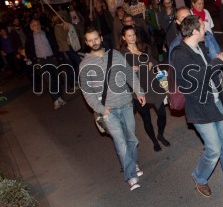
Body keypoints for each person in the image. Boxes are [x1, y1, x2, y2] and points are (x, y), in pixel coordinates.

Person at [171, 15, 223, 197]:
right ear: (195, 31)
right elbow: (197, 77)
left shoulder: (199, 47)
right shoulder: (180, 53)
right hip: (200, 109)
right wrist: (217, 62)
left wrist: (216, 64)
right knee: (214, 149)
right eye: (203, 28)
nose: (205, 30)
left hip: (215, 103)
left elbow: (208, 73)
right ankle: (199, 178)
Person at [79, 27, 146, 191]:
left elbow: (129, 75)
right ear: (86, 43)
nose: (94, 42)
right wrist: (101, 109)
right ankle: (131, 176)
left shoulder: (115, 55)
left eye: (96, 38)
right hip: (109, 110)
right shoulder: (84, 65)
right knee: (121, 143)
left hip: (126, 103)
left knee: (131, 139)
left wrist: (139, 91)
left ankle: (132, 163)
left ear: (101, 38)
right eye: (90, 40)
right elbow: (87, 93)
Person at [120, 25, 171, 152]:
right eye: (129, 35)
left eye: (133, 34)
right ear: (123, 38)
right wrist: (128, 70)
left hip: (152, 86)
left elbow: (154, 61)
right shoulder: (122, 54)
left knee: (162, 115)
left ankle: (160, 134)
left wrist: (150, 63)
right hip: (137, 91)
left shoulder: (143, 47)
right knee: (146, 118)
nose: (132, 37)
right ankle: (154, 141)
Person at [25, 18, 66, 109]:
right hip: (41, 61)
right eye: (34, 25)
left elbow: (54, 44)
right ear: (31, 27)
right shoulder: (30, 38)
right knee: (49, 81)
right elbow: (28, 51)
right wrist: (35, 62)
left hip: (52, 59)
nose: (37, 27)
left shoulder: (46, 34)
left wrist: (57, 56)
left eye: (38, 24)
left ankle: (60, 97)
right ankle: (55, 100)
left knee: (57, 79)